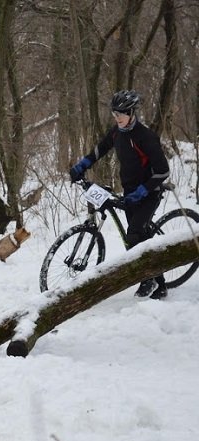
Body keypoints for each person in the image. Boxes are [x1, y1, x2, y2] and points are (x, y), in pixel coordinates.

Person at [69, 89, 171, 299]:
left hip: (149, 193)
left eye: (121, 115)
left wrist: (143, 191)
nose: (117, 118)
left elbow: (163, 171)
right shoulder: (117, 133)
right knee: (138, 238)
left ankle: (150, 281)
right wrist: (83, 165)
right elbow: (101, 149)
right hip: (129, 191)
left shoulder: (145, 136)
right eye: (114, 114)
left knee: (134, 235)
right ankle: (157, 281)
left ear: (132, 113)